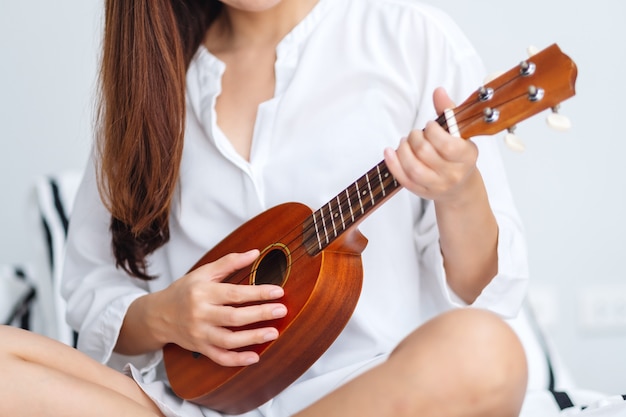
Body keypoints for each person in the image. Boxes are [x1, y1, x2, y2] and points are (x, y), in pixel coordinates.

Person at [3, 0, 532, 416]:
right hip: (190, 406)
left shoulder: (410, 38)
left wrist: (459, 190)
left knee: (487, 353)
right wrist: (166, 315)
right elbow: (92, 289)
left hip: (367, 391)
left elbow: (479, 288)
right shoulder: (151, 84)